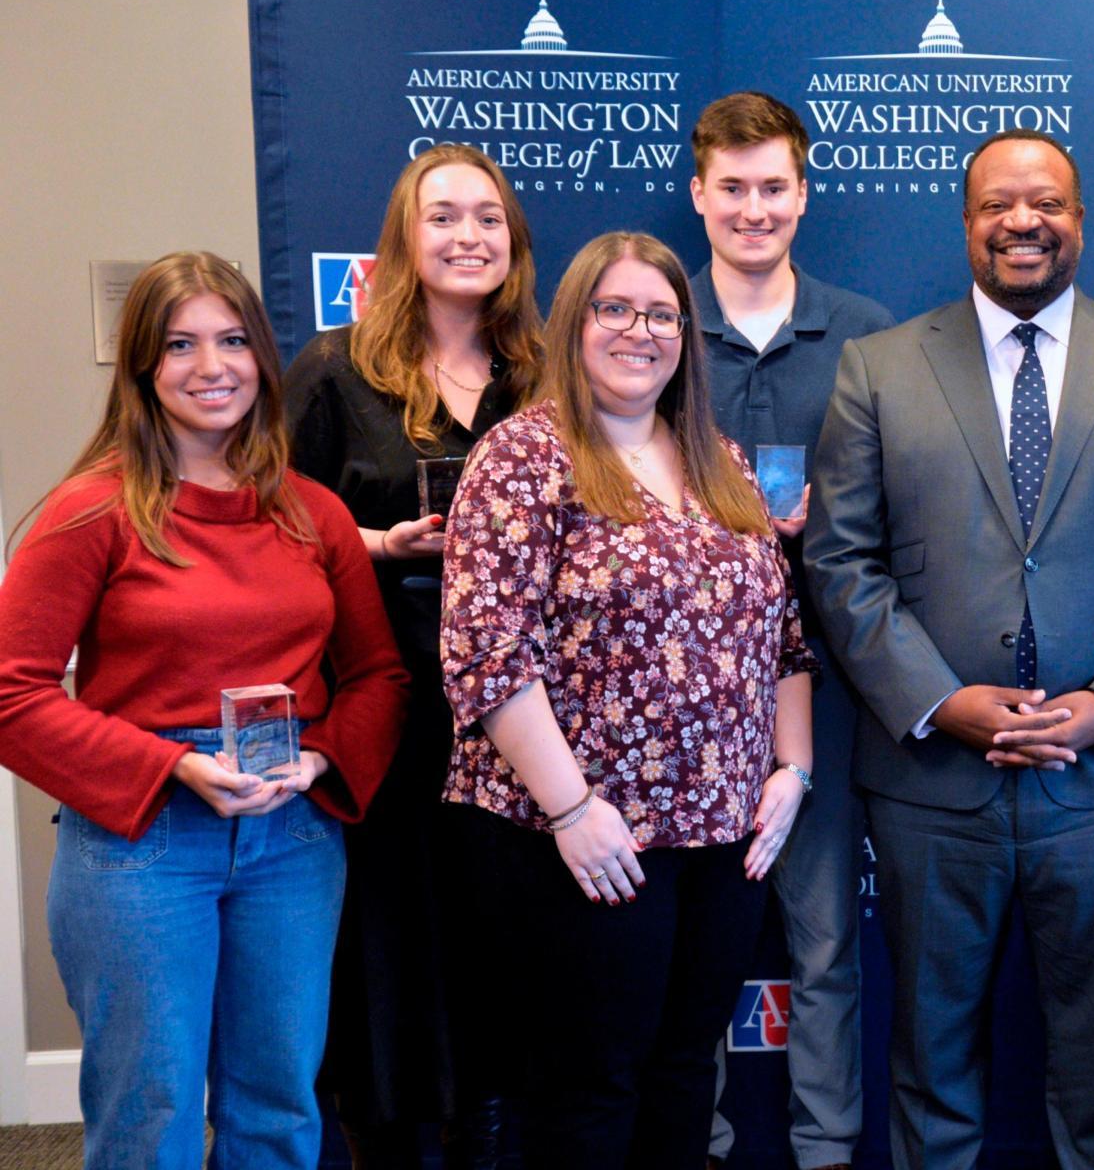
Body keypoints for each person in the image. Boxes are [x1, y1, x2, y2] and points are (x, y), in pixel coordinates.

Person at [806, 129, 1094, 1170]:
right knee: (931, 1056)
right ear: (966, 224)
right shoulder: (880, 367)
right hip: (931, 775)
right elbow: (841, 562)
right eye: (999, 204)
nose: (1023, 221)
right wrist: (940, 698)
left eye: (1046, 202)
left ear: (1082, 221)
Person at [0, 252, 408, 1169]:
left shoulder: (314, 515)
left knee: (279, 1102)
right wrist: (169, 764)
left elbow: (379, 675)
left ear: (264, 357)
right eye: (180, 345)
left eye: (232, 340)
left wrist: (317, 761)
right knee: (154, 1111)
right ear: (144, 367)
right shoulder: (89, 512)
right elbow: (11, 693)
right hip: (141, 840)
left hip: (293, 834)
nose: (210, 365)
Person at [438, 231, 818, 1169]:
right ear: (575, 324)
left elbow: (785, 633)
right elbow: (486, 652)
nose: (639, 331)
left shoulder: (717, 459)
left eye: (661, 314)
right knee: (588, 1086)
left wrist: (794, 768)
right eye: (615, 309)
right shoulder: (521, 457)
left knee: (686, 1074)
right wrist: (571, 809)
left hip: (722, 835)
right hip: (581, 838)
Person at [285, 142, 543, 1168]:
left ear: (514, 242)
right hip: (382, 707)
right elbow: (274, 531)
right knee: (385, 952)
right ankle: (383, 1147)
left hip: (518, 717)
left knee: (497, 947)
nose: (468, 235)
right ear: (403, 236)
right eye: (444, 216)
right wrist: (374, 540)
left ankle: (483, 1136)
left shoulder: (544, 379)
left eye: (488, 217)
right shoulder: (333, 370)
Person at [686, 90, 894, 1170]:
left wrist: (832, 522)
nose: (754, 209)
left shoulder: (866, 333)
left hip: (832, 682)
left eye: (774, 188)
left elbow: (912, 507)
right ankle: (702, 1144)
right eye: (734, 189)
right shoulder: (648, 323)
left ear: (804, 194)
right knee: (696, 945)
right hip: (685, 700)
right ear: (699, 194)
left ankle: (826, 1149)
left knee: (823, 938)